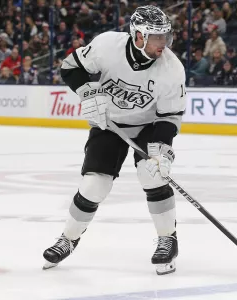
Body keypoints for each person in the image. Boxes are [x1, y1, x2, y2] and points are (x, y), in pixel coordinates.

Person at [42, 5, 186, 276]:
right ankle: (68, 239)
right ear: (138, 36)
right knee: (94, 186)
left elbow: (170, 115)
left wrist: (161, 151)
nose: (163, 43)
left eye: (166, 36)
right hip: (110, 124)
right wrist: (87, 92)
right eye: (156, 37)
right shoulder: (108, 45)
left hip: (149, 126)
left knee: (152, 175)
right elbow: (70, 67)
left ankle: (168, 238)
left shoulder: (172, 69)